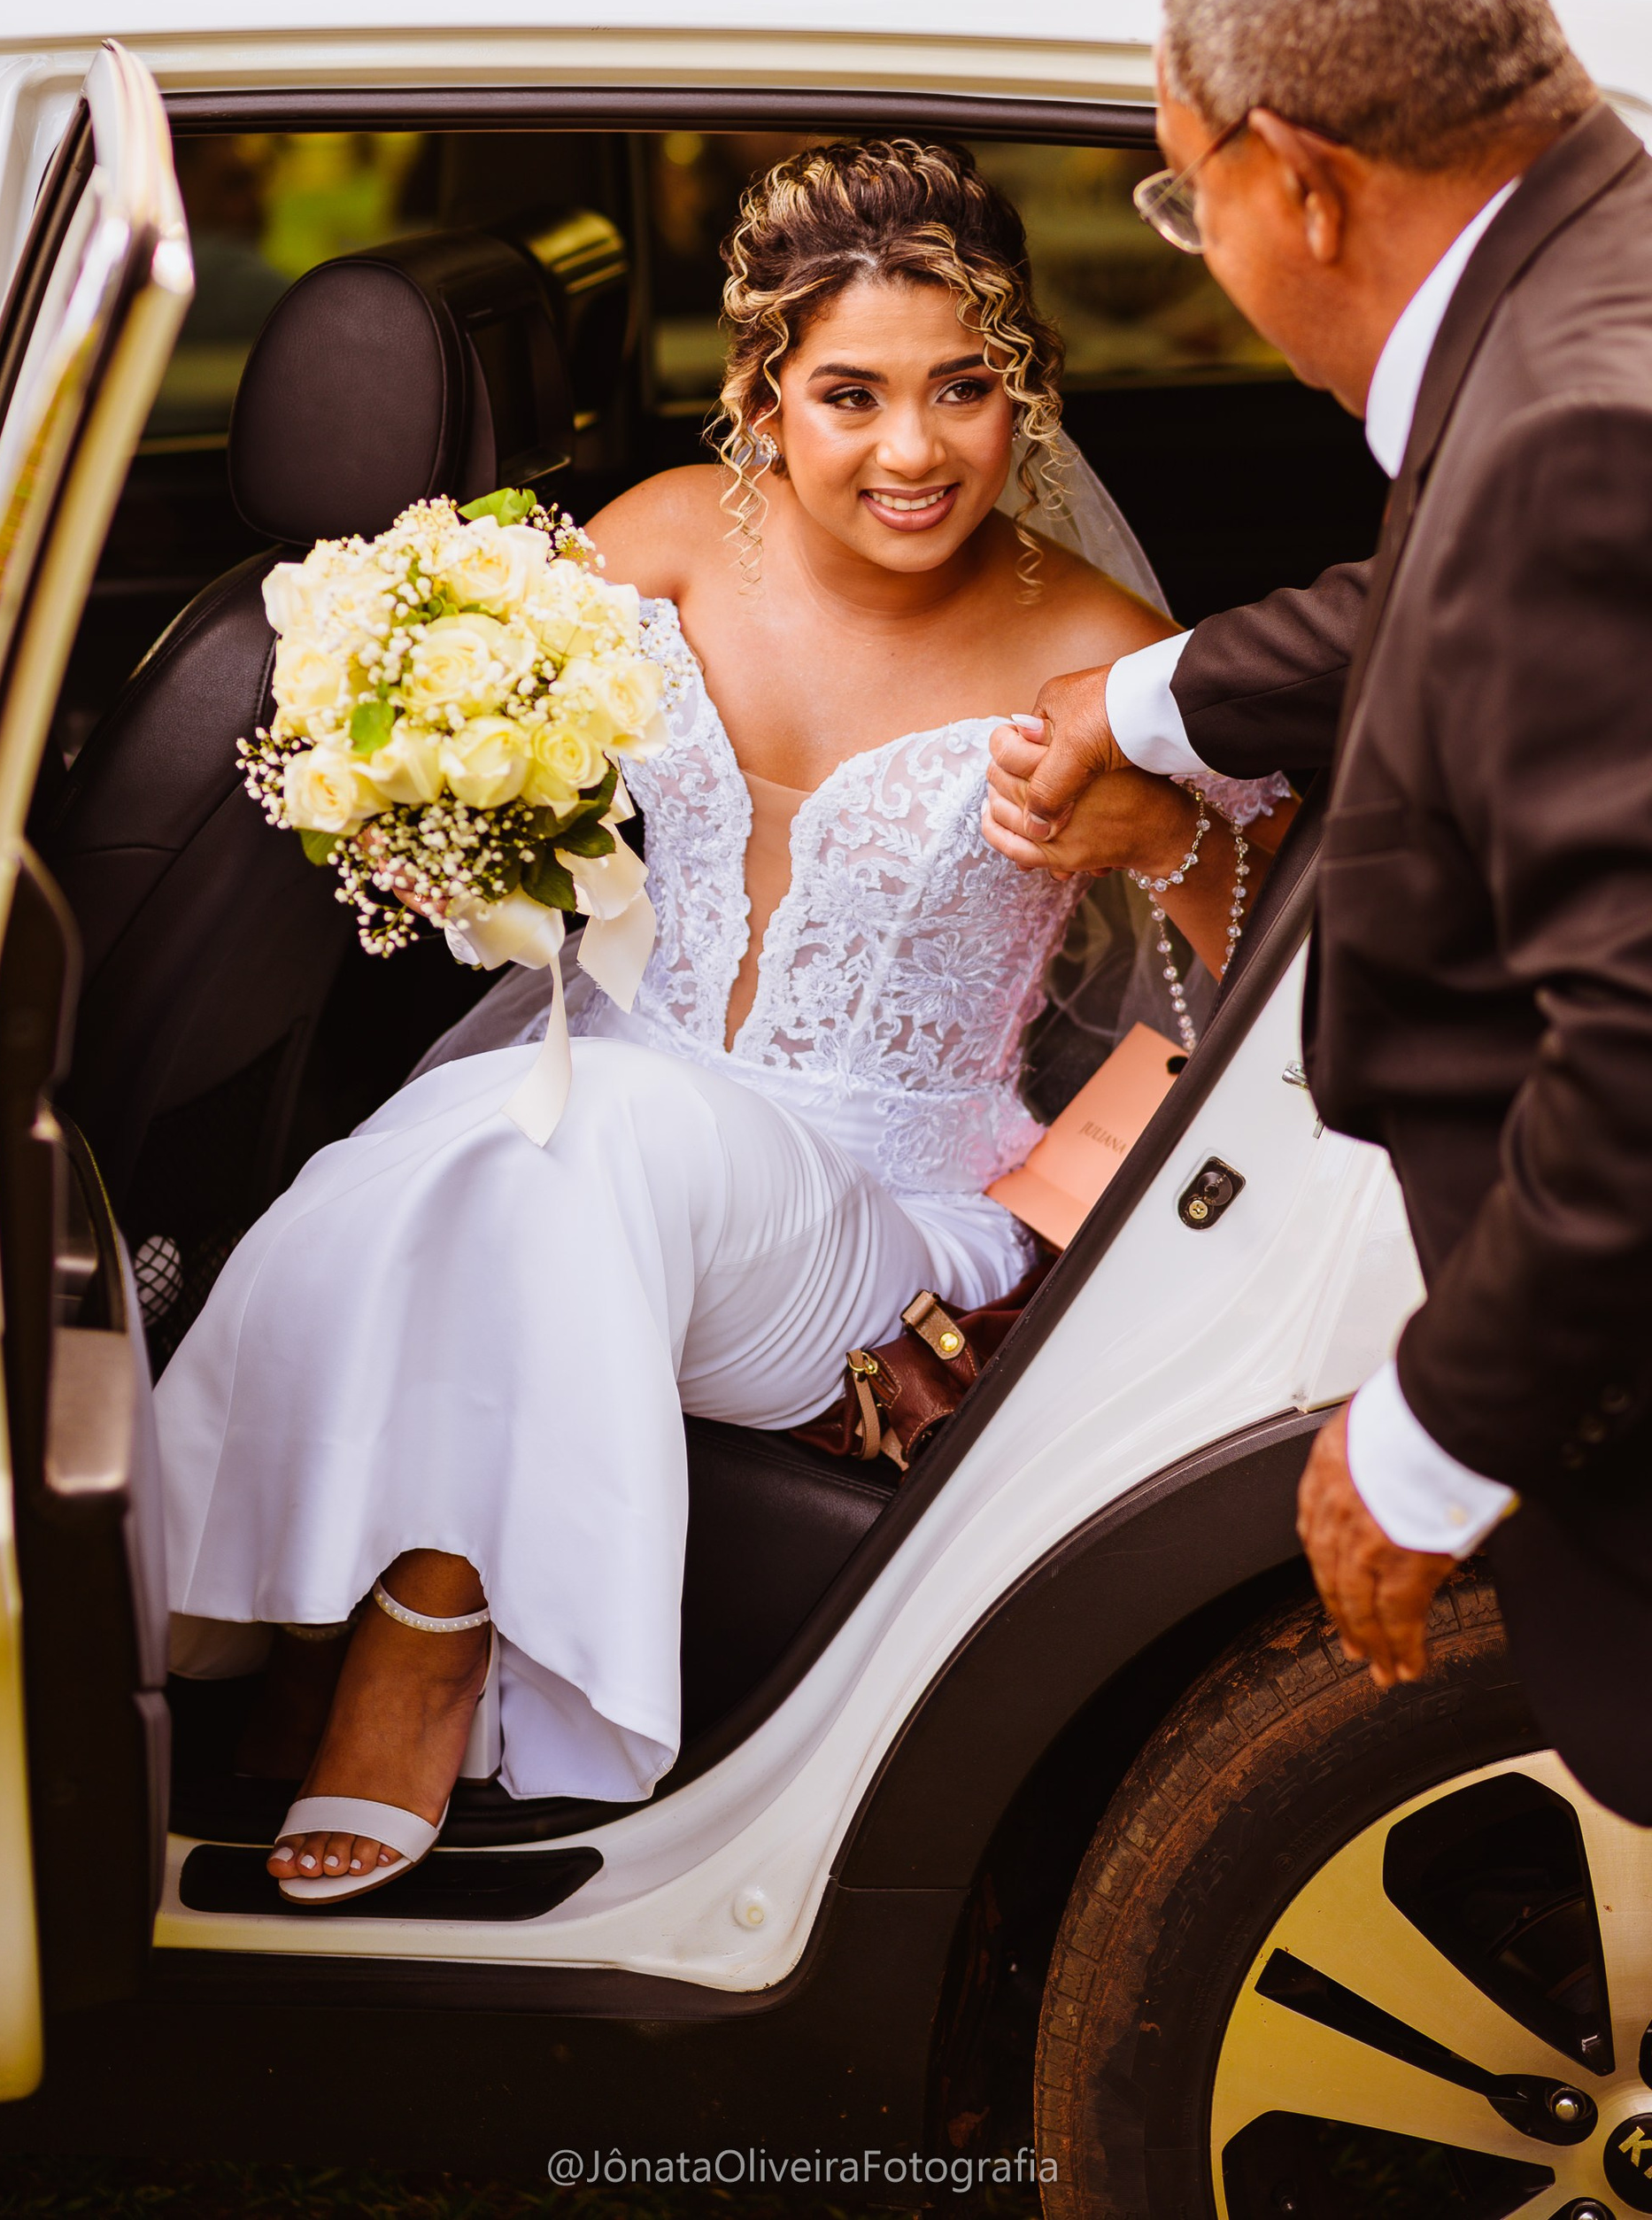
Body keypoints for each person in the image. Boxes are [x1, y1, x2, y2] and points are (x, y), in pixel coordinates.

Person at [157, 137, 1278, 1904]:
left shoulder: (1098, 646)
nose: (914, 450)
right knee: (415, 1162)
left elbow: (1286, 965)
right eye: (852, 394)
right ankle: (238, 1631)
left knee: (582, 1131)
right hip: (599, 1113)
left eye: (965, 388)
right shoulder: (665, 543)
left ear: (1026, 391)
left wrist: (1165, 838)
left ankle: (414, 1649)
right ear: (762, 397)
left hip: (882, 1219)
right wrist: (442, 781)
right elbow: (493, 758)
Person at [984, 0, 1652, 1824]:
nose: (1201, 238)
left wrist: (1434, 1433)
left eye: (1183, 192)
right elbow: (1464, 599)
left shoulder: (1569, 436)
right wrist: (1145, 703)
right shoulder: (1598, 300)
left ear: (1300, 177)